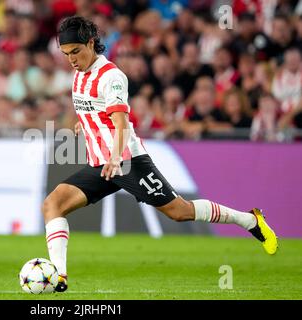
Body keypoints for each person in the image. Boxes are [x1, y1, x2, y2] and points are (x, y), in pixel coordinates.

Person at [42, 16, 278, 293]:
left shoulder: (112, 77)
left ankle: (250, 220)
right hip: (101, 164)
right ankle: (59, 276)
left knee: (179, 211)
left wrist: (117, 157)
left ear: (91, 43)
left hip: (127, 161)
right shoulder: (79, 75)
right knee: (52, 204)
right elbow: (97, 111)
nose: (71, 59)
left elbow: (120, 124)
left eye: (75, 52)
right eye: (66, 53)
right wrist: (86, 122)